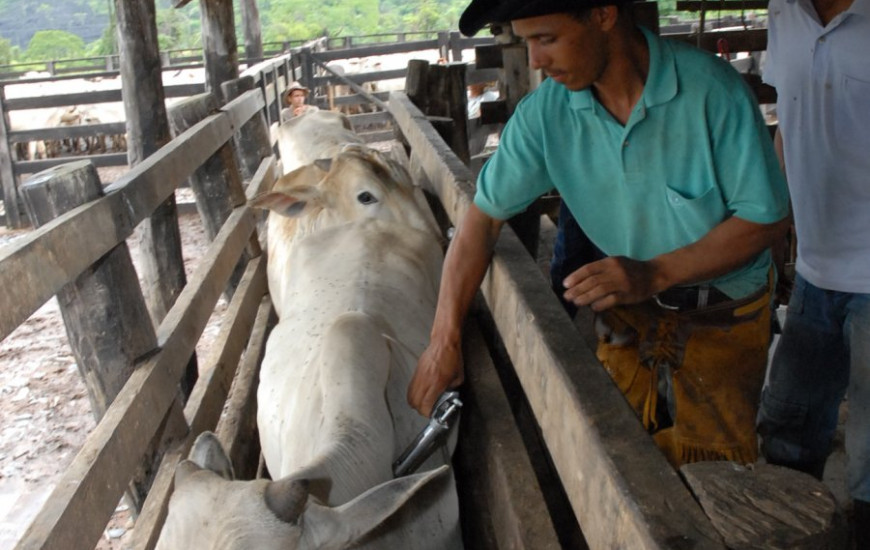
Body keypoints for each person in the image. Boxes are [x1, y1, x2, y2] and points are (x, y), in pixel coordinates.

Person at [407, 0, 791, 467]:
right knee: (624, 457)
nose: (535, 61)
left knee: (717, 466)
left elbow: (764, 219)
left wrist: (654, 272)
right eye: (526, 42)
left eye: (546, 39)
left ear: (604, 15)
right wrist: (442, 340)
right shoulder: (546, 116)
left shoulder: (712, 93)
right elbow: (480, 223)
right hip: (629, 308)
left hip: (723, 312)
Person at [756, 0, 870, 544]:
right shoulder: (785, 11)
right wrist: (773, 222)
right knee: (788, 427)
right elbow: (789, 115)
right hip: (814, 267)